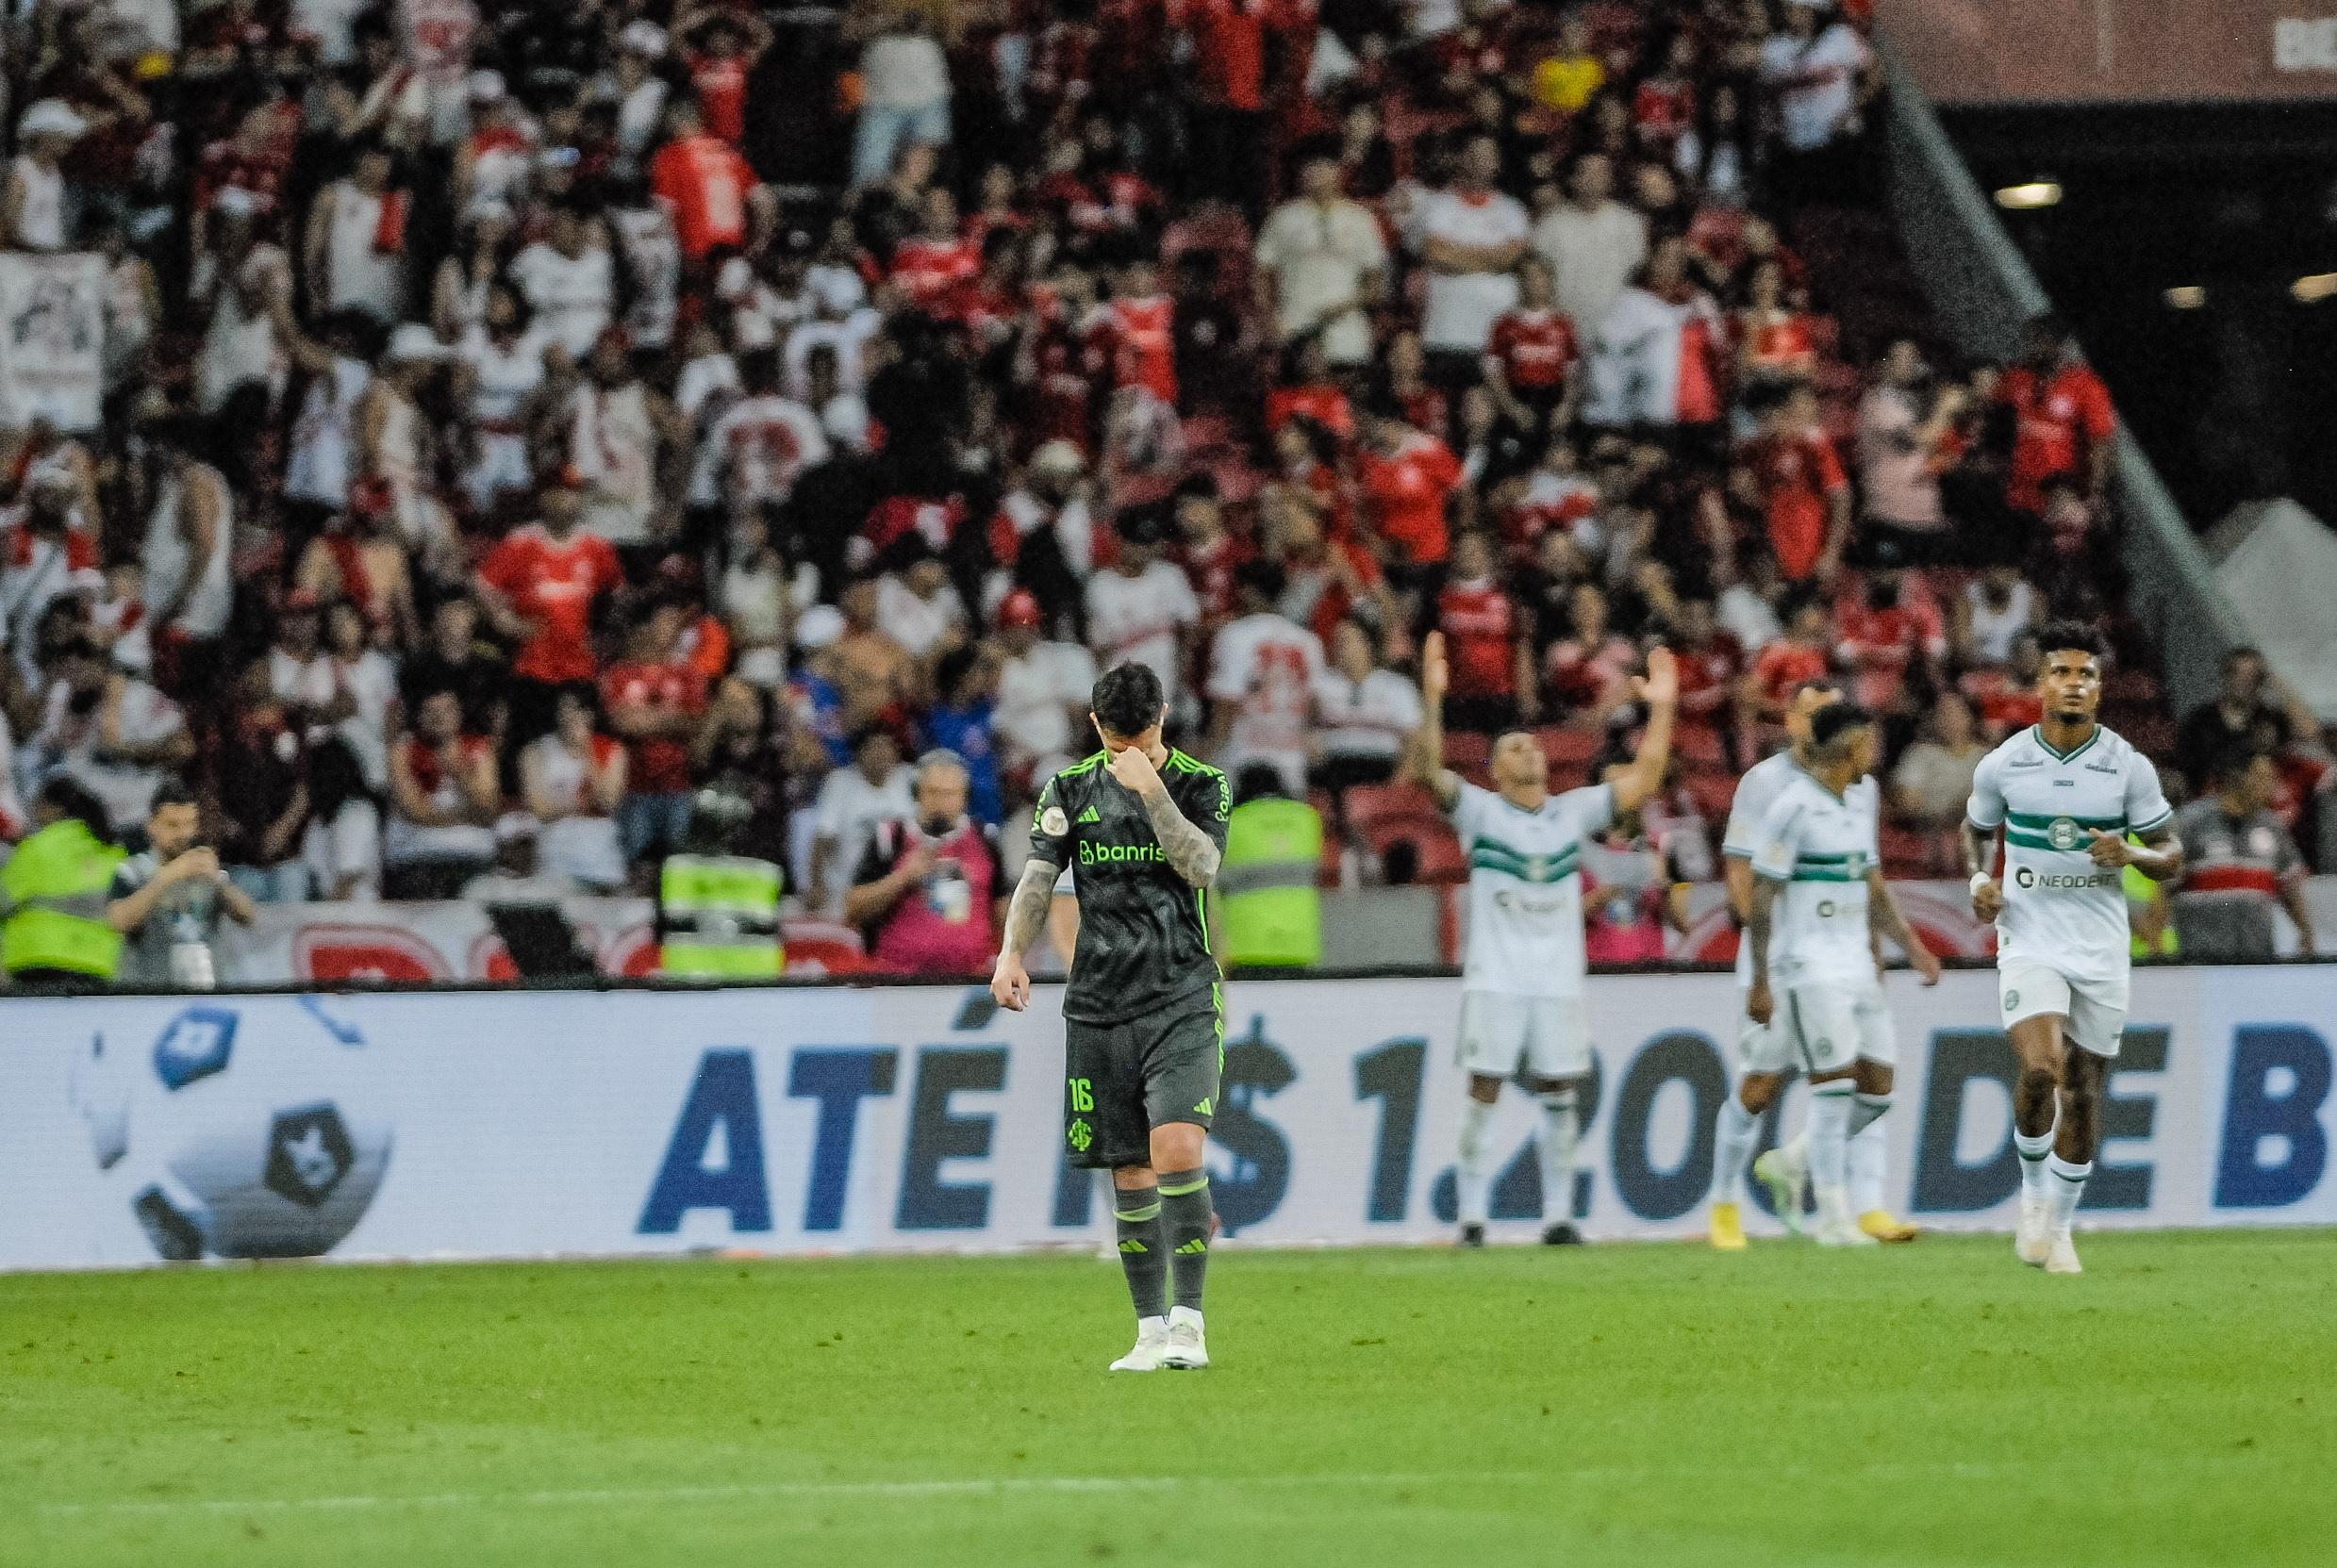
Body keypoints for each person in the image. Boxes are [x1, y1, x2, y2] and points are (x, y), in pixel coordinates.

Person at [990, 661, 1232, 1373]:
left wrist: (1152, 788)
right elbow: (1039, 880)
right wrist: (1012, 954)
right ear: (1095, 725)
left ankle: (1191, 1319)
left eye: (1141, 734)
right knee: (1127, 1170)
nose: (1127, 746)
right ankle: (1150, 1329)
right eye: (1115, 735)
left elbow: (1201, 867)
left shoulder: (1201, 783)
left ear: (1163, 717)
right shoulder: (1068, 789)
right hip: (1099, 1004)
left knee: (1178, 1148)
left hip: (1180, 995)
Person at [1411, 629, 1680, 1247]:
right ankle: (1472, 1216)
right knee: (1485, 1088)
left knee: (1560, 1092)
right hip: (1497, 978)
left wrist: (1662, 706)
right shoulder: (1481, 814)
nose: (1528, 752)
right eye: (1513, 747)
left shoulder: (1571, 813)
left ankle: (1559, 1215)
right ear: (1496, 768)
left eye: (1532, 745)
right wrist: (1432, 698)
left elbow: (1648, 775)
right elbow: (1428, 771)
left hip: (1557, 980)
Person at [1962, 621, 2182, 1274]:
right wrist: (1980, 878)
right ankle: (2032, 1197)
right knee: (2039, 1069)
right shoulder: (2004, 762)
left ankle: (2060, 1224)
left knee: (2083, 1092)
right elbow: (1975, 832)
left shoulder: (2127, 766)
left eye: (2087, 674)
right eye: (2062, 671)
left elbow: (2171, 854)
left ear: (2101, 690)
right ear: (2039, 684)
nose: (2075, 683)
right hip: (2030, 938)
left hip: (2101, 949)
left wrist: (2133, 851)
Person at [1742, 702, 1943, 1246]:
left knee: (1878, 1090)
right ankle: (1832, 1217)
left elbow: (1871, 881)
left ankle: (1793, 1160)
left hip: (1855, 961)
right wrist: (1761, 979)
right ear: (1851, 745)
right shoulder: (1792, 808)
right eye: (1871, 743)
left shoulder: (1864, 796)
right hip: (1808, 965)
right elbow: (1763, 896)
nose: (1876, 754)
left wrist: (1912, 947)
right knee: (1832, 1089)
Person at [846, 750, 1003, 976]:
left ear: (965, 797)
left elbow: (1003, 909)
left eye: (951, 794)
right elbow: (853, 908)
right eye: (933, 793)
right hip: (900, 979)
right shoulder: (890, 838)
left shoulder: (985, 839)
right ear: (916, 793)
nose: (942, 802)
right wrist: (903, 877)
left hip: (971, 978)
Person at [108, 782, 257, 990]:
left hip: (203, 990)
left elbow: (248, 916)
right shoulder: (133, 870)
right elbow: (119, 921)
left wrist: (218, 881)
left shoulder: (205, 867)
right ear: (152, 826)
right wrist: (166, 877)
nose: (183, 833)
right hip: (148, 994)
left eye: (190, 823)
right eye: (173, 825)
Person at [2170, 749, 2313, 963]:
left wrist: (2306, 933)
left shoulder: (2273, 827)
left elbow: (2290, 887)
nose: (2271, 785)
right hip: (2200, 961)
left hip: (2259, 960)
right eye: (2263, 777)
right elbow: (2163, 889)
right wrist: (2156, 946)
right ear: (2237, 777)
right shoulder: (2190, 822)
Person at [1, 777, 125, 990]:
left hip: (36, 956)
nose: (34, 812)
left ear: (56, 808)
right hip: (97, 961)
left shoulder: (37, 847)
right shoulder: (112, 852)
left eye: (39, 804)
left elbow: (3, 902)